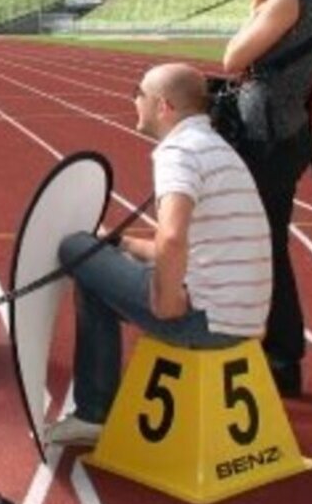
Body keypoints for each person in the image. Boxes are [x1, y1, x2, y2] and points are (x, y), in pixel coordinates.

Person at [46, 64, 271, 447]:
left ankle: (94, 414)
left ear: (163, 106)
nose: (133, 100)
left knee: (76, 249)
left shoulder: (178, 151)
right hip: (244, 322)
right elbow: (195, 248)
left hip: (204, 324)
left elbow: (172, 236)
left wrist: (167, 301)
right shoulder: (218, 149)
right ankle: (93, 412)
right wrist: (125, 245)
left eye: (139, 93)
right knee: (98, 268)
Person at [222, 0, 312, 398]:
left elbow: (232, 58)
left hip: (267, 138)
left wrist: (257, 3)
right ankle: (277, 351)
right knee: (265, 244)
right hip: (284, 134)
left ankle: (282, 356)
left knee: (265, 248)